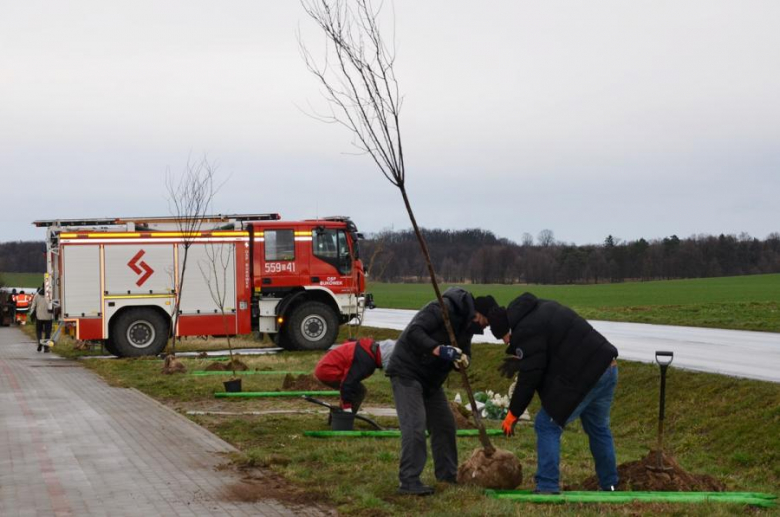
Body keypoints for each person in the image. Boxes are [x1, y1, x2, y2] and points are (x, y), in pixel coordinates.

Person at [488, 292, 619, 494]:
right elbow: (552, 353)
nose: (506, 343)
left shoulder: (525, 330)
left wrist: (513, 413)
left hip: (587, 374)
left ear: (508, 330)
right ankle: (610, 484)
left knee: (546, 424)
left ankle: (547, 485)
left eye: (504, 338)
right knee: (598, 428)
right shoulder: (536, 310)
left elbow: (530, 378)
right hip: (607, 367)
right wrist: (524, 361)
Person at [385, 287, 497, 496]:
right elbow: (414, 332)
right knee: (415, 426)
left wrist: (463, 361)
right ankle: (409, 481)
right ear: (478, 313)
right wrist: (439, 349)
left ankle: (447, 475)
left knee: (445, 425)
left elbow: (464, 351)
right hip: (407, 371)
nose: (486, 326)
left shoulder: (467, 326)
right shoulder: (444, 308)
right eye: (486, 321)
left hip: (431, 381)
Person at [314, 337, 396, 413]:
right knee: (358, 391)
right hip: (327, 370)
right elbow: (347, 383)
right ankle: (345, 417)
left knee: (357, 389)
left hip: (327, 366)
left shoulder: (368, 349)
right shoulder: (366, 361)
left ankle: (340, 415)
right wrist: (347, 408)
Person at [29, 286, 54, 352]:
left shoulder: (37, 295)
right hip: (48, 316)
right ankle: (46, 347)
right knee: (47, 332)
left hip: (39, 316)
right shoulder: (51, 295)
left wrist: (32, 314)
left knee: (39, 331)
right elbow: (53, 304)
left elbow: (33, 306)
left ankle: (40, 342)